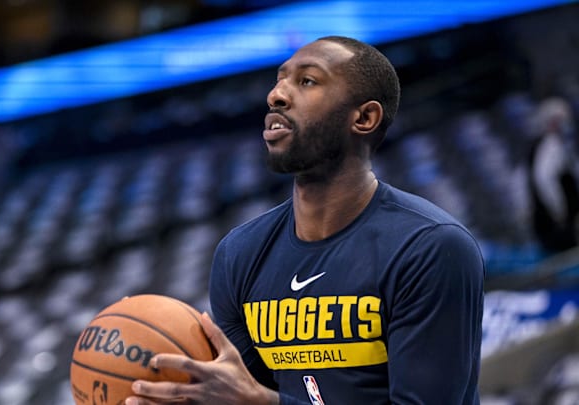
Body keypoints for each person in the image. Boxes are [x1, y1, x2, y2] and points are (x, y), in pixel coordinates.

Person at [126, 35, 485, 405]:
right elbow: (239, 395)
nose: (276, 96)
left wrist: (262, 404)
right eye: (278, 80)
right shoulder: (239, 254)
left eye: (307, 81)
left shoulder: (430, 248)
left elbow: (252, 400)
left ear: (363, 118)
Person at [527, 97, 579, 253]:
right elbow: (544, 180)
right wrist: (559, 212)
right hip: (557, 223)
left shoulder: (560, 144)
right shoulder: (550, 145)